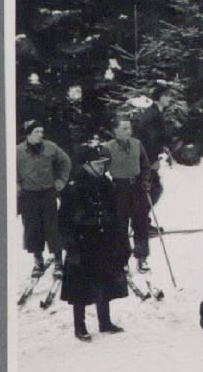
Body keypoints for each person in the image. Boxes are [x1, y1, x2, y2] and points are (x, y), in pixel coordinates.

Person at [58, 142, 129, 341]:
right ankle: (79, 327)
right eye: (98, 164)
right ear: (86, 165)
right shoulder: (73, 189)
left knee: (105, 281)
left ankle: (104, 322)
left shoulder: (107, 185)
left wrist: (120, 240)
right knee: (79, 287)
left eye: (104, 164)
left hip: (104, 241)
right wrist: (70, 244)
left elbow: (115, 214)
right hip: (82, 243)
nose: (102, 167)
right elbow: (63, 221)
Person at [15, 119, 71, 277]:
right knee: (32, 228)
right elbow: (10, 169)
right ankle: (38, 261)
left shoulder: (51, 147)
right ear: (28, 134)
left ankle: (58, 261)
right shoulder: (18, 151)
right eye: (36, 132)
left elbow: (66, 162)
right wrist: (17, 184)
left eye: (41, 131)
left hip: (48, 193)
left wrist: (61, 181)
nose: (40, 134)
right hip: (28, 195)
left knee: (52, 228)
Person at [104, 115, 153, 273]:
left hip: (137, 187)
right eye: (124, 128)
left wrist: (145, 179)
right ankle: (122, 259)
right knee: (120, 225)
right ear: (115, 131)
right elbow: (101, 170)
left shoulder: (137, 144)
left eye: (129, 128)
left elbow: (145, 165)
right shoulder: (108, 148)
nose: (128, 131)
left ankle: (142, 256)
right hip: (119, 188)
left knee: (141, 222)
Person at [134, 84, 175, 205]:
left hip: (148, 159)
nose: (169, 98)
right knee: (150, 191)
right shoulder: (152, 114)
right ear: (159, 97)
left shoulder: (157, 112)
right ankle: (141, 217)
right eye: (167, 95)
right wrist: (152, 161)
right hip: (146, 160)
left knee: (153, 190)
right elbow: (148, 140)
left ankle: (143, 216)